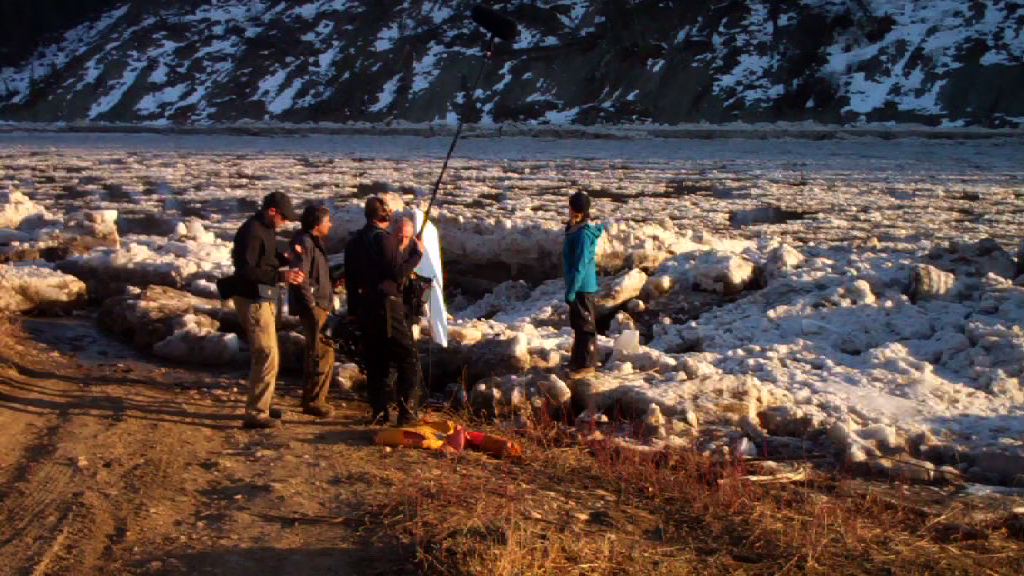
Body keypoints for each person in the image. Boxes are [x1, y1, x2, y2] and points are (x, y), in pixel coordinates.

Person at [344, 197, 424, 426]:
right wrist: (416, 254)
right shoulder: (384, 240)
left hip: (364, 306)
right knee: (408, 358)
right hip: (388, 305)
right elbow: (398, 273)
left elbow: (350, 280)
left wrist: (353, 311)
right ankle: (407, 414)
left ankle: (380, 413)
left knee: (375, 360)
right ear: (384, 216)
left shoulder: (354, 242)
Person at [229, 191, 304, 429]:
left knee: (268, 353)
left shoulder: (266, 230)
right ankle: (256, 412)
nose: (285, 222)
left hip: (264, 296)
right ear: (272, 211)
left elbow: (265, 261)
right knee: (267, 353)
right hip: (252, 299)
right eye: (283, 217)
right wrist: (281, 275)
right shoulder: (251, 232)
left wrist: (283, 258)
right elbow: (246, 271)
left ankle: (263, 403)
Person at [289, 205, 336, 418]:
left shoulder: (311, 242)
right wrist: (311, 306)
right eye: (328, 221)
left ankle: (312, 398)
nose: (331, 225)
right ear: (318, 224)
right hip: (314, 307)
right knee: (320, 352)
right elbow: (301, 278)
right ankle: (314, 401)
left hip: (318, 304)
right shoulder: (305, 243)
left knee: (319, 351)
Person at [563, 191, 604, 374]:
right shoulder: (576, 230)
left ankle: (587, 364)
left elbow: (580, 264)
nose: (569, 211)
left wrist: (572, 289)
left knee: (585, 326)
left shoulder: (582, 235)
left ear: (577, 210)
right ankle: (578, 361)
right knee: (579, 325)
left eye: (571, 207)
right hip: (578, 285)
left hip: (582, 287)